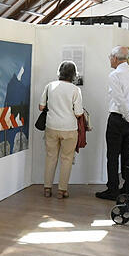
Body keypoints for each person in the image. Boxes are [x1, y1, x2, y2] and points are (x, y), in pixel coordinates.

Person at [96, 46, 129, 201]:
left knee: (112, 156)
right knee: (128, 154)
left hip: (119, 119)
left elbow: (120, 100)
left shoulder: (115, 74)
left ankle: (112, 189)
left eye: (110, 58)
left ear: (114, 58)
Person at [39, 61, 84, 199]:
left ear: (59, 72)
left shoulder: (50, 86)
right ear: (74, 75)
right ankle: (62, 190)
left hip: (51, 126)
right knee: (67, 159)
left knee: (50, 157)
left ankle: (47, 188)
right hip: (69, 128)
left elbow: (41, 107)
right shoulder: (75, 90)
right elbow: (78, 113)